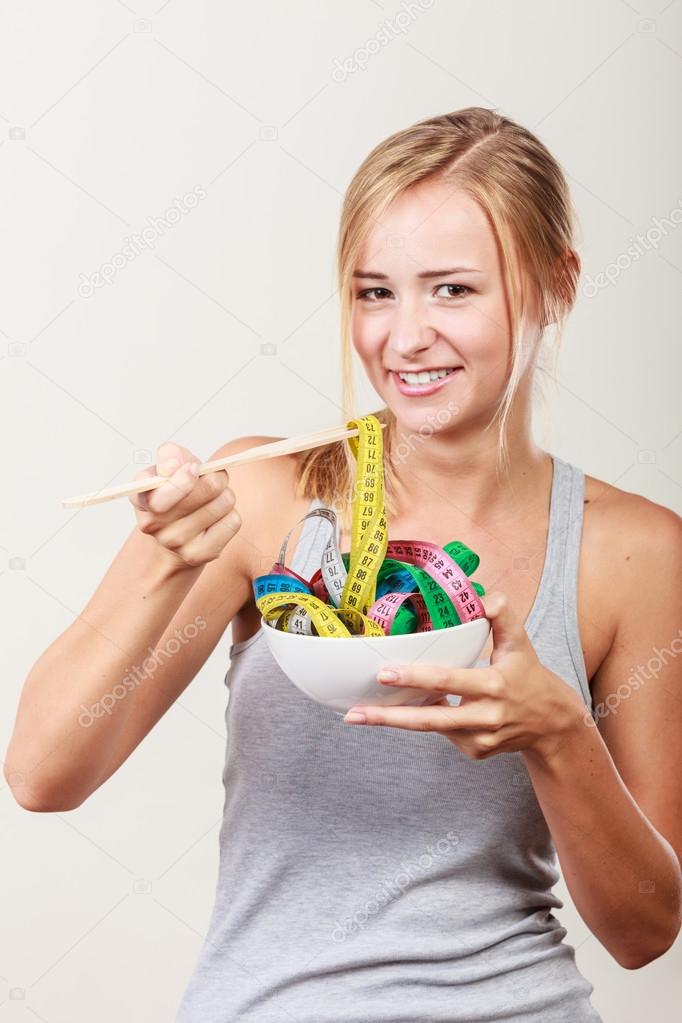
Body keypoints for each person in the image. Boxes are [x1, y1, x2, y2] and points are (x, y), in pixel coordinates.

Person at [6, 107, 681, 1022]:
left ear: (557, 284)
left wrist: (558, 735)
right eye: (374, 293)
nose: (405, 339)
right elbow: (42, 774)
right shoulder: (259, 492)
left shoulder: (633, 551)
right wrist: (166, 562)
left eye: (452, 291)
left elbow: (645, 931)